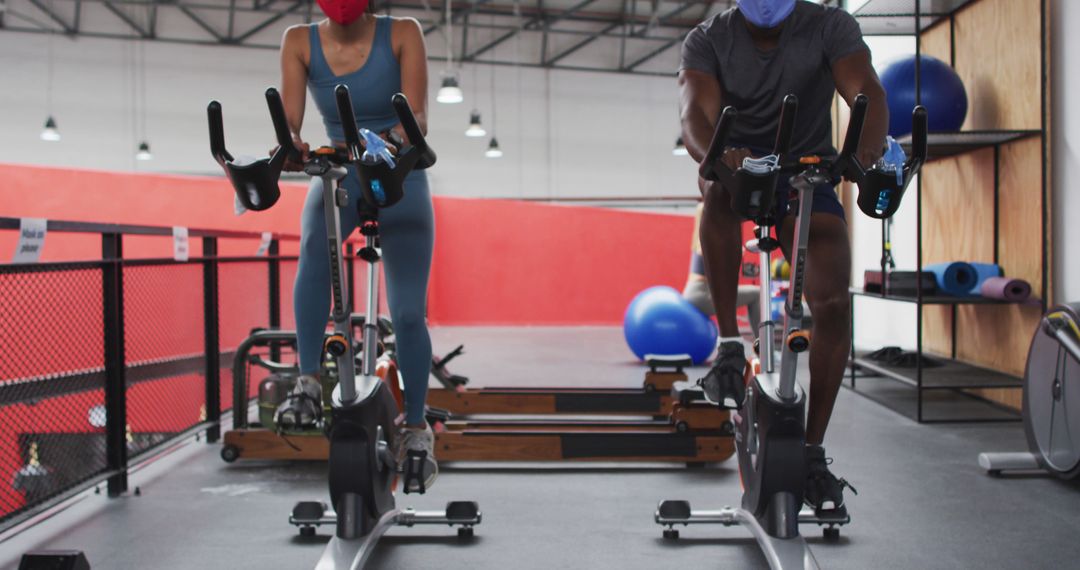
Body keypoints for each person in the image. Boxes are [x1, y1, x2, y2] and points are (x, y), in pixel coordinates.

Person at [678, 0, 888, 516]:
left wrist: (863, 154)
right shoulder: (707, 39)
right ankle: (729, 347)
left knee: (834, 304)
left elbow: (866, 90)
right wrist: (715, 156)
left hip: (808, 171)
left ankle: (812, 454)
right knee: (717, 196)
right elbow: (695, 114)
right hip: (739, 167)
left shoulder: (829, 26)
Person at [275, 0, 438, 491]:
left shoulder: (403, 33)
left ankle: (415, 428)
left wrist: (376, 140)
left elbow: (419, 120)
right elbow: (290, 124)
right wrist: (290, 147)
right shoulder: (299, 41)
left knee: (408, 313)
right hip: (339, 176)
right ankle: (306, 382)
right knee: (311, 244)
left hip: (399, 175)